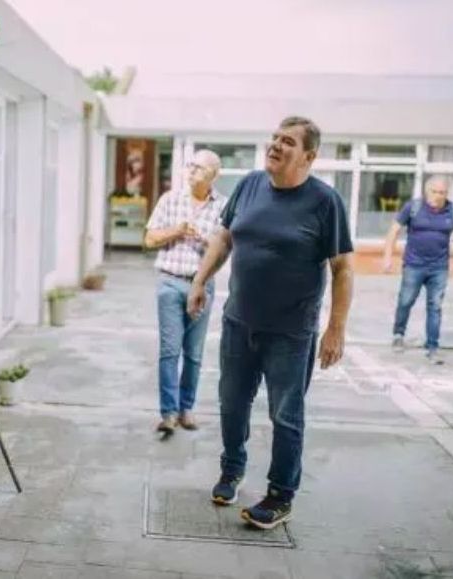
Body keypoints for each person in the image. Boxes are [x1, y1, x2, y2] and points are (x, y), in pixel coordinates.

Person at [187, 117, 354, 530]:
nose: (276, 145)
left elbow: (343, 269)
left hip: (291, 332)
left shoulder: (325, 201)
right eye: (275, 138)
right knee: (231, 403)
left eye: (288, 142)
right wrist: (200, 280)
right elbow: (224, 237)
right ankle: (231, 470)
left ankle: (280, 495)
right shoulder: (250, 185)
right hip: (238, 323)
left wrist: (335, 328)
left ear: (309, 156)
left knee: (286, 415)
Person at [144, 150, 226, 434]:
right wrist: (177, 230)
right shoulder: (169, 199)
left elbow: (226, 248)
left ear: (213, 175)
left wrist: (204, 239)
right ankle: (168, 413)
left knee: (194, 353)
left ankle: (185, 409)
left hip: (202, 286)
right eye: (190, 165)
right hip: (170, 283)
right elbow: (150, 238)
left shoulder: (222, 206)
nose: (191, 171)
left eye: (199, 168)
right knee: (170, 351)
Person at [383, 175, 453, 364]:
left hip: (439, 268)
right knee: (406, 301)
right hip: (414, 265)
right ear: (427, 191)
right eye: (435, 192)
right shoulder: (413, 207)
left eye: (442, 193)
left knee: (435, 306)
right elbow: (393, 230)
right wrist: (387, 257)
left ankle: (432, 347)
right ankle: (398, 334)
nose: (438, 196)